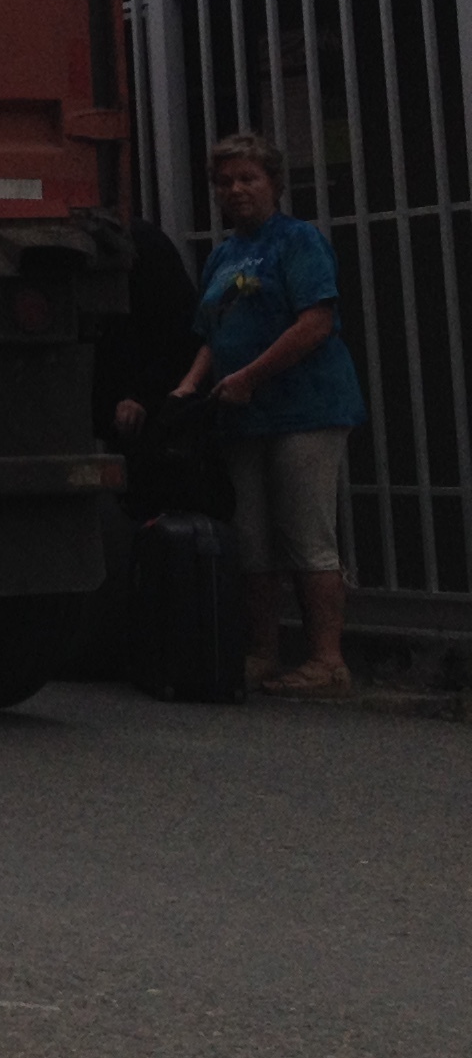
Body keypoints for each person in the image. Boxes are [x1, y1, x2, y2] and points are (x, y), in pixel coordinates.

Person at [171, 129, 368, 695]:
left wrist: (249, 377)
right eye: (225, 181)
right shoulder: (223, 256)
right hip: (242, 418)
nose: (236, 189)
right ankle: (262, 652)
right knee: (252, 540)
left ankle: (327, 659)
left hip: (306, 410)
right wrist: (187, 388)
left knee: (307, 534)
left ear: (274, 184)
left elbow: (316, 323)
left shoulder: (298, 241)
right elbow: (212, 333)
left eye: (248, 178)